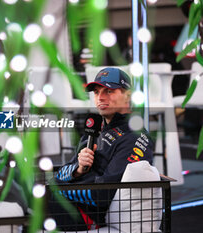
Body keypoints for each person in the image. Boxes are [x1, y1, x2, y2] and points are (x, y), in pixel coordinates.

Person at [49, 67, 154, 231]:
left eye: (109, 91)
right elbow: (62, 172)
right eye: (97, 92)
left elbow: (103, 194)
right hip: (70, 207)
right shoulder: (94, 130)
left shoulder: (135, 135)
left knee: (39, 195)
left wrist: (60, 188)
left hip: (89, 216)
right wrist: (78, 171)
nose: (101, 98)